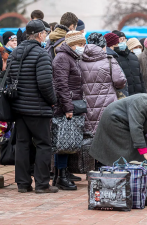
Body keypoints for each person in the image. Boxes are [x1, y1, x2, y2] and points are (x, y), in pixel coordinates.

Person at [6, 20, 57, 194]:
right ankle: (42, 184)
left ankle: (22, 183)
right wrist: (53, 100)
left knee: (22, 144)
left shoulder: (14, 53)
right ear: (40, 34)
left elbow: (11, 78)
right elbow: (45, 83)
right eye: (45, 33)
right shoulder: (41, 54)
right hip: (38, 108)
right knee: (43, 144)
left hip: (18, 107)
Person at [89, 93, 147, 166]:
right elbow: (136, 129)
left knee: (145, 151)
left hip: (129, 123)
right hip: (115, 119)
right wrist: (146, 155)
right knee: (135, 151)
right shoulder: (143, 104)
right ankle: (120, 172)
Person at [52, 31, 86, 190]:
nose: (83, 47)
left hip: (69, 104)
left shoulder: (71, 57)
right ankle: (61, 176)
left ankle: (61, 175)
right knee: (63, 142)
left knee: (65, 141)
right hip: (64, 106)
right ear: (72, 44)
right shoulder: (63, 58)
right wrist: (68, 108)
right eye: (81, 44)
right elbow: (61, 85)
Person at [80, 43, 126, 135]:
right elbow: (120, 81)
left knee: (88, 134)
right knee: (108, 133)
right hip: (107, 103)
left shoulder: (79, 61)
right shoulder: (109, 60)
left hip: (85, 104)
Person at [104, 32, 129, 97]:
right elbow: (119, 80)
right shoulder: (110, 58)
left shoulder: (113, 57)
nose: (118, 46)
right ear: (112, 45)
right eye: (117, 43)